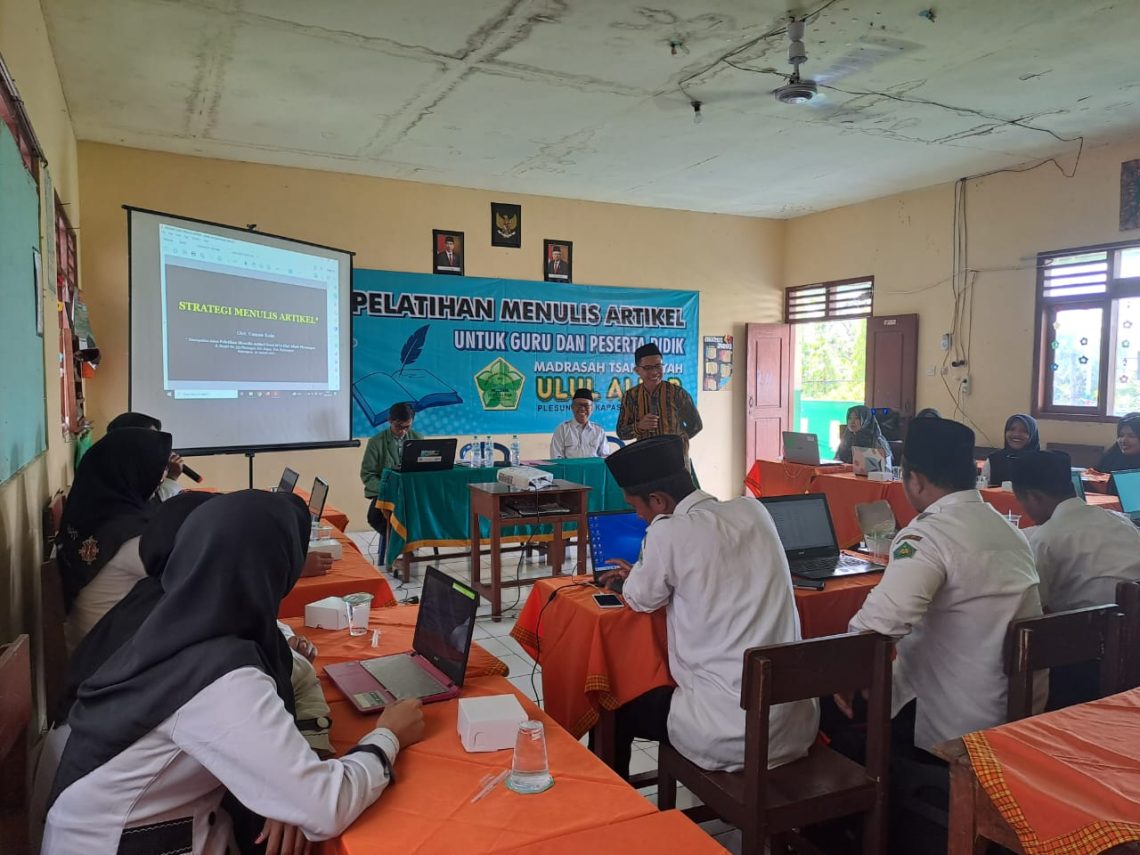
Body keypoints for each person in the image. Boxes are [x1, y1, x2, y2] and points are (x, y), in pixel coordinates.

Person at [43, 490, 425, 854]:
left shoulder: (173, 626)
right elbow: (324, 807)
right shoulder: (221, 674)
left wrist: (282, 789)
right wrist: (387, 737)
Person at [597, 436, 818, 780]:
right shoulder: (753, 510)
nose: (638, 516)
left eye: (636, 507)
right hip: (793, 725)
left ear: (658, 500)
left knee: (613, 701)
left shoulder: (668, 531)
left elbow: (641, 598)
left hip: (729, 732)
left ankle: (616, 805)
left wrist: (628, 579)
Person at [845, 418, 1045, 755]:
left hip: (951, 722)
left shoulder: (928, 535)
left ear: (916, 480)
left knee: (827, 707)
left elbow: (880, 625)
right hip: (1017, 716)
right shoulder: (1009, 530)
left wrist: (845, 673)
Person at [57, 427, 173, 652]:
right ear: (134, 471)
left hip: (89, 646)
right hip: (109, 657)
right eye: (159, 468)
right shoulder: (133, 538)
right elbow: (189, 578)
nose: (161, 477)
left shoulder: (91, 514)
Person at [1012, 450, 1140, 612]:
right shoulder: (1119, 520)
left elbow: (1032, 604)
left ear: (1033, 497)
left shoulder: (1046, 537)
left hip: (1097, 624)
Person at [360, 402, 422, 547]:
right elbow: (367, 474)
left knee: (425, 512)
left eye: (407, 427)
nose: (403, 431)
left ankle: (407, 544)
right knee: (374, 517)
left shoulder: (417, 438)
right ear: (390, 421)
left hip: (410, 491)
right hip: (386, 491)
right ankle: (400, 544)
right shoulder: (376, 442)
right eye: (399, 427)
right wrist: (384, 489)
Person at [616, 343, 703, 442]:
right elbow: (621, 433)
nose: (654, 372)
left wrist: (678, 441)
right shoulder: (631, 396)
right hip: (645, 451)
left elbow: (696, 425)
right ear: (637, 370)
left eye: (658, 366)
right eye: (648, 368)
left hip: (673, 451)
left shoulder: (677, 393)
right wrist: (639, 426)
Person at [107, 410, 186, 501]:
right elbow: (152, 507)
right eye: (151, 439)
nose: (157, 444)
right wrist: (171, 479)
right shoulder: (120, 475)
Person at [549, 389, 609, 458]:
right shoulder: (562, 430)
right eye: (578, 405)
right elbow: (556, 457)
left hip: (592, 466)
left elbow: (605, 457)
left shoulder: (599, 431)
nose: (582, 409)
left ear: (592, 408)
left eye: (586, 405)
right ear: (572, 407)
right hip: (569, 466)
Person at [983, 413, 1040, 487]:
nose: (1016, 434)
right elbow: (982, 487)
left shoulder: (1043, 462)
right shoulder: (993, 459)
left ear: (1033, 435)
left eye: (1024, 431)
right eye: (1011, 429)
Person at [1093, 413, 1140, 493]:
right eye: (1121, 435)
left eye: (1131, 436)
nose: (1123, 440)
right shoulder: (1114, 455)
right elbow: (1097, 475)